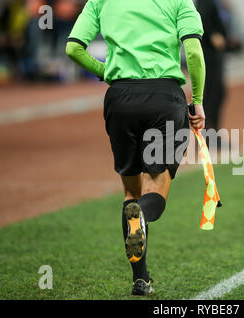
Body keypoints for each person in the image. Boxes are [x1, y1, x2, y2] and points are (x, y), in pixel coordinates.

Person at [65, 0, 206, 296]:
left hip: (120, 98)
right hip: (164, 98)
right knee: (154, 189)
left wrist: (104, 71)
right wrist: (199, 100)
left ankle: (140, 279)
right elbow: (192, 51)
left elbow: (73, 48)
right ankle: (142, 214)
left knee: (130, 195)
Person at [197, 0, 227, 132]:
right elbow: (202, 17)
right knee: (212, 94)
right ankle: (209, 134)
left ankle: (213, 132)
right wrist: (213, 34)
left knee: (218, 93)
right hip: (208, 52)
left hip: (214, 52)